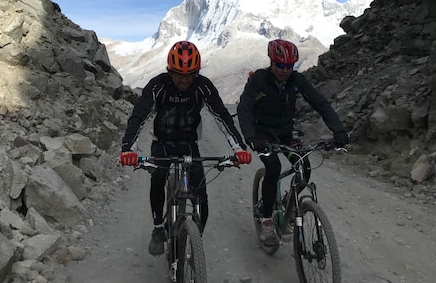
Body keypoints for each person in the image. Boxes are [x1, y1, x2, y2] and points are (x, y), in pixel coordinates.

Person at [119, 40, 252, 256]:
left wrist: (239, 149)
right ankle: (157, 228)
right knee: (158, 178)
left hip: (189, 145)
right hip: (161, 143)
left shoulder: (203, 86)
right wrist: (128, 149)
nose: (184, 79)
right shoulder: (158, 85)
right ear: (169, 70)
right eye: (178, 74)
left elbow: (222, 117)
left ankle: (193, 242)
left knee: (202, 196)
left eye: (190, 74)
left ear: (197, 72)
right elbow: (139, 116)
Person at [237, 38, 349, 246]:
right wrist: (250, 137)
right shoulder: (259, 80)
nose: (285, 70)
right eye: (280, 65)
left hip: (286, 133)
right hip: (262, 134)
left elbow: (320, 103)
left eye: (289, 66)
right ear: (271, 62)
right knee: (273, 166)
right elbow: (243, 108)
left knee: (304, 165)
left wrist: (339, 130)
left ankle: (289, 202)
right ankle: (267, 219)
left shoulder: (297, 81)